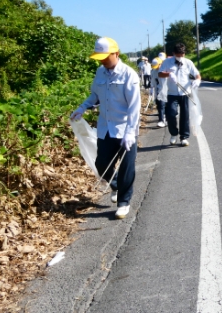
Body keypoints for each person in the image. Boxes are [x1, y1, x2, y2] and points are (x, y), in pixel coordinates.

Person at [70, 37, 140, 219]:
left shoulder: (129, 75)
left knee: (126, 167)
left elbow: (134, 106)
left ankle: (124, 202)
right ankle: (115, 185)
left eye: (105, 56)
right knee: (101, 163)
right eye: (99, 57)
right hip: (105, 128)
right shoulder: (100, 72)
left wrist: (130, 132)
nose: (102, 60)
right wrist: (83, 107)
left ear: (115, 54)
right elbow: (95, 95)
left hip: (125, 129)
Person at [158, 43, 201, 146]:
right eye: (178, 55)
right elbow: (160, 73)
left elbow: (197, 74)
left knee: (185, 115)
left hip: (186, 92)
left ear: (184, 53)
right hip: (172, 93)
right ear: (173, 53)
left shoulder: (188, 62)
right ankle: (173, 134)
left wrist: (197, 80)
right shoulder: (167, 62)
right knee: (171, 114)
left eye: (182, 55)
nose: (180, 57)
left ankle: (184, 137)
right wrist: (169, 74)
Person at [150, 58, 167, 127]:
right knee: (160, 106)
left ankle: (166, 119)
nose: (156, 68)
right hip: (158, 91)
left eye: (157, 66)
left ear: (160, 64)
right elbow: (153, 81)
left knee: (167, 106)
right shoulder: (153, 72)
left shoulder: (165, 70)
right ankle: (161, 120)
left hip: (167, 91)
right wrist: (151, 89)